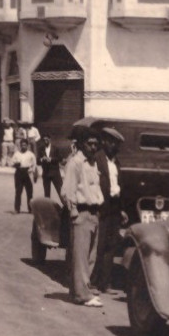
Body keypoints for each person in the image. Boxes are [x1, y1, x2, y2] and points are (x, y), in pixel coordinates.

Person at [61, 128, 105, 306]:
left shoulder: (93, 163)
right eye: (90, 143)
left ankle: (80, 290)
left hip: (94, 212)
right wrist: (73, 211)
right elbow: (67, 191)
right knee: (80, 257)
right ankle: (82, 295)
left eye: (96, 144)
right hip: (81, 211)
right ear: (81, 144)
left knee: (89, 256)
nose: (93, 147)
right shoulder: (76, 162)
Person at [90, 127, 126, 294]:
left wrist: (122, 210)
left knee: (111, 245)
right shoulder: (96, 159)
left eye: (117, 144)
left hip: (114, 206)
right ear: (105, 142)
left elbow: (118, 185)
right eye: (112, 142)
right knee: (99, 244)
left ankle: (105, 283)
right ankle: (92, 281)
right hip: (100, 206)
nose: (114, 146)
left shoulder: (116, 163)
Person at [11, 138, 36, 212]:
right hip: (19, 172)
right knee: (18, 191)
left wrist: (33, 173)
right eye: (22, 145)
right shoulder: (17, 153)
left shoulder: (31, 154)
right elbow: (12, 163)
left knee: (29, 192)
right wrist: (15, 164)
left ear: (27, 146)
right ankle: (17, 209)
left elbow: (34, 165)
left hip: (27, 172)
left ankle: (30, 209)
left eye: (25, 145)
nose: (23, 146)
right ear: (20, 146)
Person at [36, 133, 63, 200]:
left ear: (50, 139)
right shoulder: (41, 148)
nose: (46, 141)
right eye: (44, 139)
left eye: (47, 139)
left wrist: (51, 159)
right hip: (46, 173)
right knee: (47, 193)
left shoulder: (55, 148)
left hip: (55, 173)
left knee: (61, 191)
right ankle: (47, 209)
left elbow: (60, 158)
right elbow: (38, 161)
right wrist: (42, 159)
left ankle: (66, 207)